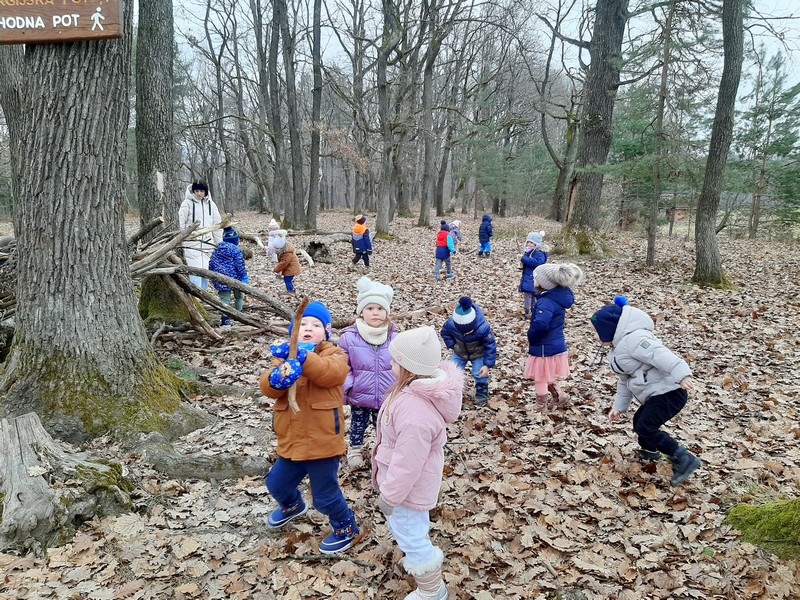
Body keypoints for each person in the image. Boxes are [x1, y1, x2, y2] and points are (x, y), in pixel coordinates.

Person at [260, 301, 361, 553]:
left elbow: (332, 373)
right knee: (276, 484)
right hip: (292, 441)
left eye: (316, 325)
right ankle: (293, 505)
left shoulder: (333, 354)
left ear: (326, 332)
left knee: (325, 496)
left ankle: (346, 526)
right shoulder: (283, 357)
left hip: (322, 442)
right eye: (302, 324)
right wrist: (275, 379)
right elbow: (269, 389)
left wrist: (305, 359)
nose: (307, 328)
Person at [372, 326, 463, 600]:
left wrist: (390, 495)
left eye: (395, 361)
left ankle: (432, 591)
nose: (390, 364)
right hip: (405, 486)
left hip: (407, 491)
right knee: (408, 529)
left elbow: (407, 463)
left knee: (412, 536)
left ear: (409, 369)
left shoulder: (415, 413)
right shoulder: (411, 395)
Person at [590, 296, 702, 486]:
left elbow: (661, 355)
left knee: (645, 426)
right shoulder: (617, 349)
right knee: (639, 422)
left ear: (609, 330)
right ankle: (650, 452)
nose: (595, 337)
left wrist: (682, 374)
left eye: (597, 332)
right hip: (655, 394)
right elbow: (624, 380)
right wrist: (619, 407)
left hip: (670, 392)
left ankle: (683, 458)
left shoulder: (635, 339)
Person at [338, 276, 397, 468]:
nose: (375, 313)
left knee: (384, 426)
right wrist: (349, 386)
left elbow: (402, 363)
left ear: (386, 312)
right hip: (360, 392)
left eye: (380, 308)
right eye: (370, 308)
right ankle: (355, 449)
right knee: (358, 424)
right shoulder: (349, 337)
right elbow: (342, 365)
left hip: (387, 394)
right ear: (361, 311)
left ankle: (384, 450)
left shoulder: (394, 337)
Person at [525, 263, 584, 413]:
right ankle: (559, 396)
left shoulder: (546, 302)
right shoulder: (554, 298)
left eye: (535, 278)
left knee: (540, 376)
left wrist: (532, 336)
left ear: (544, 283)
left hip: (544, 345)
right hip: (554, 344)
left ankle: (540, 407)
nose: (533, 280)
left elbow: (541, 324)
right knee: (546, 373)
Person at [441, 297, 496, 407]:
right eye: (462, 332)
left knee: (478, 372)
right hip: (460, 352)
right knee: (452, 370)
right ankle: (453, 391)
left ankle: (482, 390)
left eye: (468, 332)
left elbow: (490, 346)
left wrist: (487, 365)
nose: (465, 334)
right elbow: (445, 333)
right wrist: (452, 345)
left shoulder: (483, 328)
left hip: (478, 353)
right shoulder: (451, 324)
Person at [178, 182, 222, 289]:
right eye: (196, 191)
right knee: (194, 272)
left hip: (207, 243)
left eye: (201, 191)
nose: (199, 193)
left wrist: (219, 243)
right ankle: (196, 295)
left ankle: (204, 295)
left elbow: (217, 225)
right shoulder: (187, 204)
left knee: (205, 272)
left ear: (205, 191)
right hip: (192, 243)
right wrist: (185, 239)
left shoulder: (211, 205)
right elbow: (182, 225)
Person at [208, 226, 248, 327]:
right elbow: (240, 265)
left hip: (220, 278)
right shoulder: (235, 250)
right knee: (239, 296)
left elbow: (211, 263)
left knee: (224, 299)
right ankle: (239, 314)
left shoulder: (217, 249)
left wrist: (213, 276)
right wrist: (244, 276)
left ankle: (225, 320)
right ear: (235, 240)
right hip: (236, 278)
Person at [519, 231, 548, 319]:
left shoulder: (539, 253)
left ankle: (532, 311)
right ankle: (528, 311)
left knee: (533, 296)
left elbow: (537, 262)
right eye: (528, 242)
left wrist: (524, 259)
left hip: (535, 278)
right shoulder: (529, 252)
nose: (529, 244)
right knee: (528, 295)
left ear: (537, 244)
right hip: (528, 278)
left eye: (531, 243)